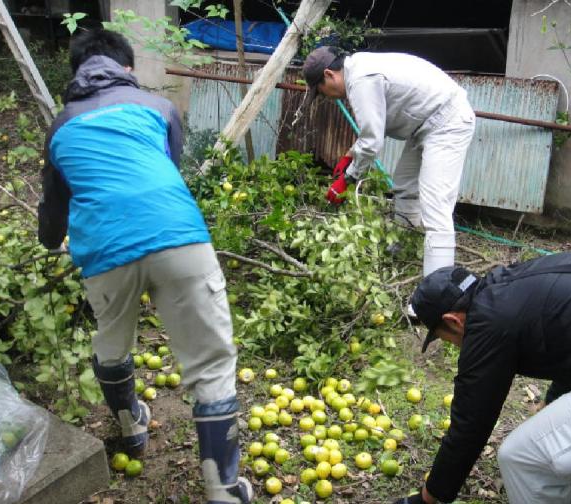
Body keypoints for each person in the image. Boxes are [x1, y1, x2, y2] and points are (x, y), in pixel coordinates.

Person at [37, 29, 252, 504]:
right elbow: (165, 166)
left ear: (75, 73)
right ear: (127, 68)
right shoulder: (158, 107)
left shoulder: (61, 125)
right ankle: (224, 491)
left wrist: (50, 242)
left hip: (104, 250)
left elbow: (53, 211)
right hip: (177, 236)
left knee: (111, 347)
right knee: (211, 364)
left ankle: (132, 427)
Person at [395, 252, 571, 504]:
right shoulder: (516, 283)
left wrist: (429, 498)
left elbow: (470, 424)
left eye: (448, 340)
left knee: (520, 457)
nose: (456, 346)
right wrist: (555, 400)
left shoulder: (487, 323)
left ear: (453, 321)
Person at [302, 46, 476, 277]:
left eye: (322, 91)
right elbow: (375, 125)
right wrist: (350, 155)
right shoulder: (359, 67)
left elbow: (372, 142)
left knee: (436, 205)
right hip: (425, 125)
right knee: (404, 186)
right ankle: (404, 250)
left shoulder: (362, 80)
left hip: (447, 121)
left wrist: (348, 178)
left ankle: (438, 288)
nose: (326, 97)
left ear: (329, 75)